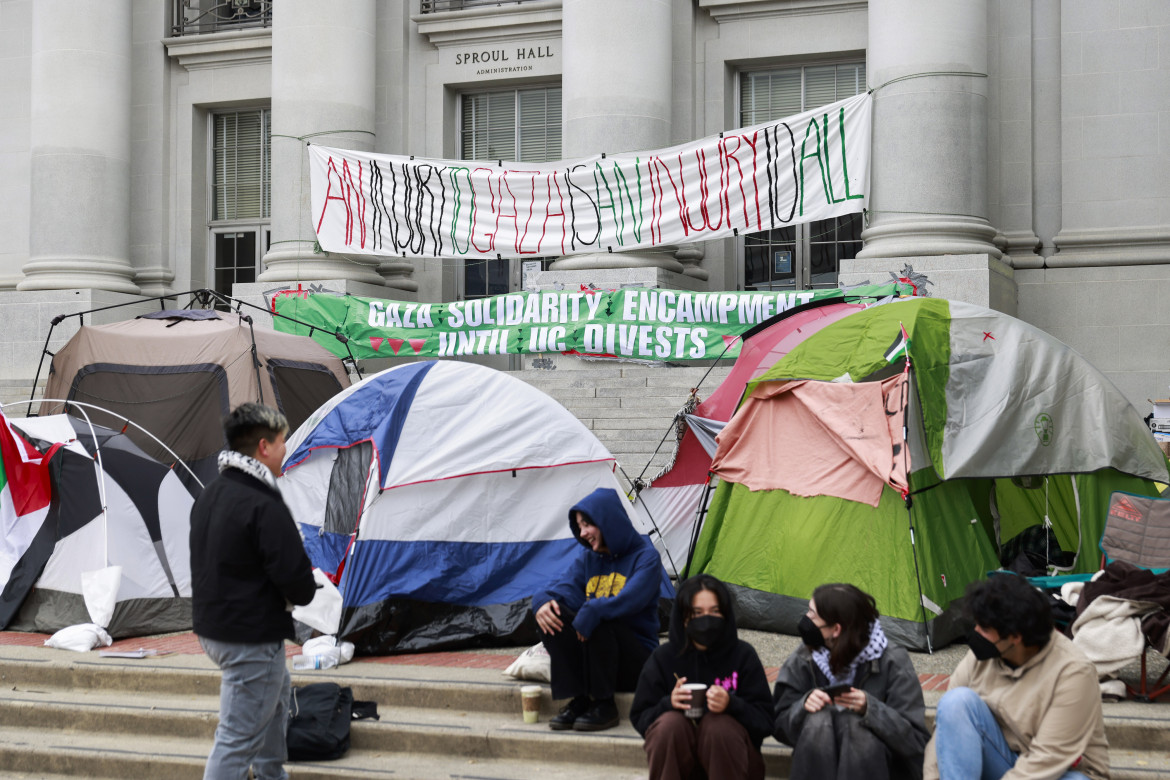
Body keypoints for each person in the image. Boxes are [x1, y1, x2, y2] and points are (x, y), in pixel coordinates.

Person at [190, 403, 317, 780]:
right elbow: (296, 580)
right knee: (235, 738)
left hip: (216, 627)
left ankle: (270, 774)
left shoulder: (212, 493)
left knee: (276, 698)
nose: (285, 450)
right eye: (282, 442)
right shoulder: (263, 501)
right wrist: (310, 585)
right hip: (248, 636)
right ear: (264, 447)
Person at [924, 573, 1108, 780]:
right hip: (1003, 761)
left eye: (984, 628)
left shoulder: (1073, 672)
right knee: (955, 702)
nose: (975, 632)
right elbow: (944, 731)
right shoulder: (982, 655)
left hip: (1057, 771)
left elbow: (1048, 759)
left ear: (1015, 637)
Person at [532, 486, 671, 732]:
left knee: (600, 616)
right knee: (552, 612)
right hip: (597, 659)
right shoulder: (589, 559)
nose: (583, 533)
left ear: (608, 521)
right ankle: (580, 699)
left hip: (636, 661)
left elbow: (631, 599)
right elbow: (559, 588)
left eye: (588, 524)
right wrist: (541, 602)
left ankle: (605, 705)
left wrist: (594, 610)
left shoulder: (645, 557)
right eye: (579, 526)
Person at [772, 583, 929, 780]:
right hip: (818, 756)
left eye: (812, 614)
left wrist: (871, 709)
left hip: (881, 765)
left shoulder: (892, 660)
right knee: (818, 722)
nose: (806, 619)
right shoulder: (805, 655)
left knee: (856, 728)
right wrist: (803, 706)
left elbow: (916, 740)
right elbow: (778, 724)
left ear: (835, 629)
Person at [630, 574, 772, 780]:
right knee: (670, 725)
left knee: (719, 726)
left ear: (726, 614)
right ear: (683, 618)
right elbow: (640, 718)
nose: (706, 620)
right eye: (697, 613)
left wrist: (732, 704)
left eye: (714, 612)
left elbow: (766, 722)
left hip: (734, 762)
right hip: (678, 762)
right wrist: (669, 703)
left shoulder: (743, 655)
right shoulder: (664, 658)